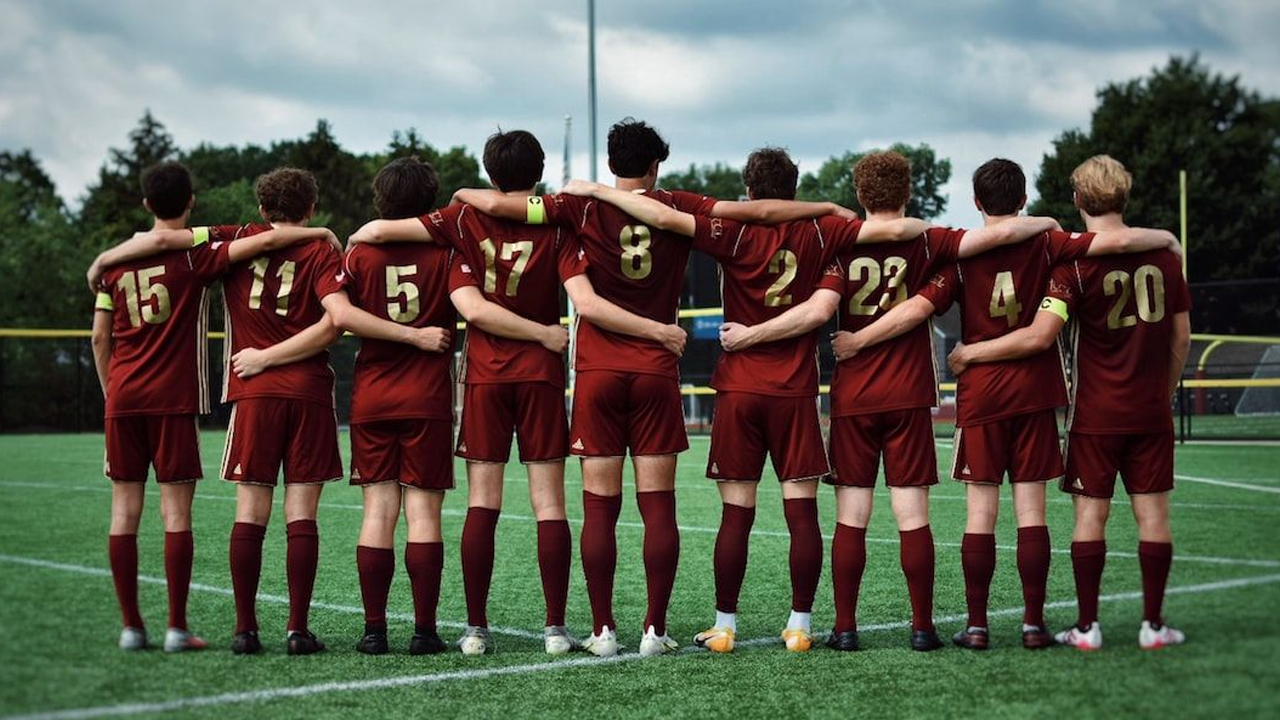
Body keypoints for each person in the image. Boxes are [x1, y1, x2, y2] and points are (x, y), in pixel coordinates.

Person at [453, 118, 854, 656]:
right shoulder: (678, 205)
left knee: (599, 508)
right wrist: (825, 210)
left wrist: (460, 194)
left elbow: (504, 207)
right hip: (658, 371)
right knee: (658, 507)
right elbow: (755, 212)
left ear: (611, 161)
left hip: (595, 372)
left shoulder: (579, 208)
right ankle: (653, 631)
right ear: (655, 165)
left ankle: (601, 632)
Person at [562, 146, 927, 653]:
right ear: (794, 191)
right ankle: (800, 624)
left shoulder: (727, 230)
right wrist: (827, 210)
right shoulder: (823, 232)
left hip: (737, 387)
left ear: (750, 191)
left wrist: (597, 190)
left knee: (736, 515)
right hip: (796, 389)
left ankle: (724, 625)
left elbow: (666, 216)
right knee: (801, 513)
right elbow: (886, 238)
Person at [349, 129, 686, 656]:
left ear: (488, 172)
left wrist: (349, 238)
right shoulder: (556, 219)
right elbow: (581, 295)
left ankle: (475, 628)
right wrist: (550, 335)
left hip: (485, 374)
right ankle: (555, 628)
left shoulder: (461, 219)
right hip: (542, 374)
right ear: (540, 170)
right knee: (548, 502)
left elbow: (382, 231)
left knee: (484, 502)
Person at [715, 150, 1060, 651]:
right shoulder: (927, 241)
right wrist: (1045, 220)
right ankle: (923, 628)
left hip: (854, 394)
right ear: (908, 193)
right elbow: (998, 235)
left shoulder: (841, 240)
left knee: (851, 515)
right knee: (912, 514)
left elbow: (824, 307)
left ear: (859, 194)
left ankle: (845, 628)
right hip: (910, 392)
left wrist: (852, 341)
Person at [835, 158, 1180, 650]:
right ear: (1023, 198)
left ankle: (976, 626)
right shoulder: (1051, 245)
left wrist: (861, 340)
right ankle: (1033, 624)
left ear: (976, 202)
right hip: (1037, 393)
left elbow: (918, 307)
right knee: (1030, 513)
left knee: (980, 516)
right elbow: (1114, 242)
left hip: (981, 394)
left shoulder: (956, 254)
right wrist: (1167, 239)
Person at [87, 161, 335, 652]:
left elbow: (100, 336)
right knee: (293, 511)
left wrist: (102, 260)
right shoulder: (205, 259)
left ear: (262, 209)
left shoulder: (221, 243)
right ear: (310, 208)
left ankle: (218, 629)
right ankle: (280, 629)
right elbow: (336, 319)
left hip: (219, 392)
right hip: (277, 390)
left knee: (148, 512)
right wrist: (323, 231)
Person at [946, 155, 1191, 650]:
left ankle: (1049, 626)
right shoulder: (1083, 250)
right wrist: (1166, 238)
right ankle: (1131, 625)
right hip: (1119, 406)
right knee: (1136, 518)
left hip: (1073, 409)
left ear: (1078, 199)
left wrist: (967, 351)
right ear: (1025, 199)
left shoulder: (1066, 266)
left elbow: (1040, 332)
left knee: (1008, 516)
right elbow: (1181, 336)